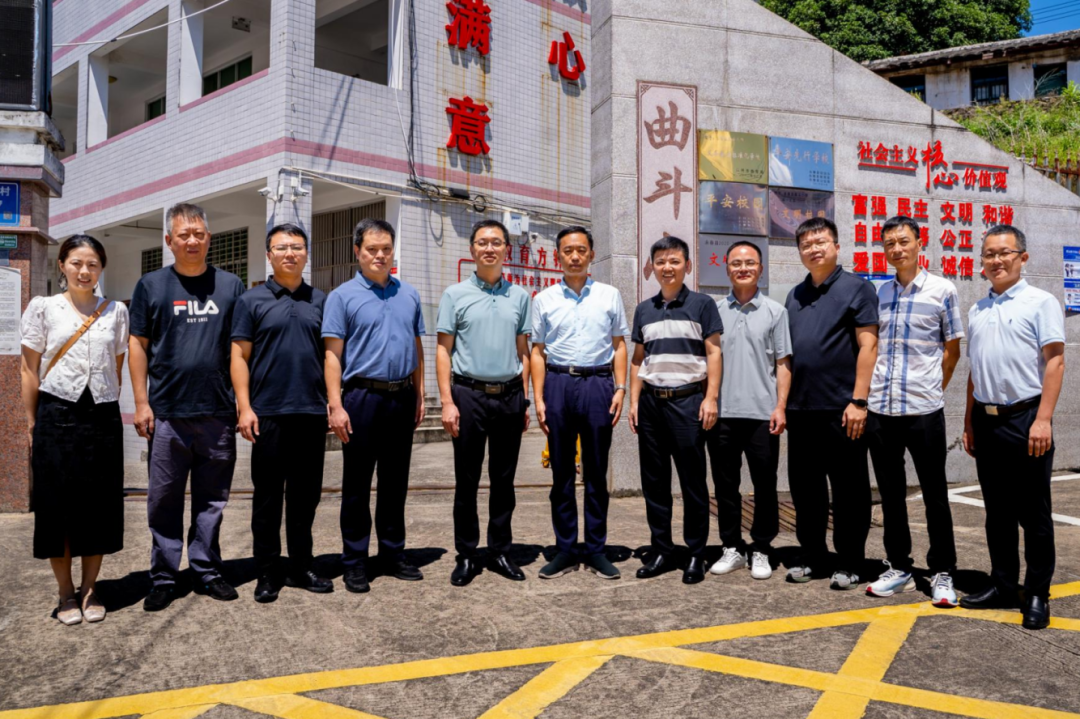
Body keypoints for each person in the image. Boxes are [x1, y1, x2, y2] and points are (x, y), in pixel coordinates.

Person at [130, 202, 246, 611]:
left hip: (217, 412)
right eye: (184, 234)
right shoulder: (151, 286)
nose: (192, 240)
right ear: (169, 240)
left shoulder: (231, 286)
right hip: (167, 414)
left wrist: (243, 404)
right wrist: (141, 402)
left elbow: (239, 350)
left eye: (199, 233)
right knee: (163, 499)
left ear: (209, 238)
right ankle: (164, 577)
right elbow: (138, 344)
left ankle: (207, 571)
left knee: (212, 500)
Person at [960, 225, 1066, 631]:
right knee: (998, 513)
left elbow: (1055, 361)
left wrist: (1043, 419)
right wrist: (969, 420)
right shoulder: (978, 309)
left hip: (1026, 419)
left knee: (1034, 514)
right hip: (986, 422)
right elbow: (975, 371)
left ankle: (1037, 593)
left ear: (1023, 257)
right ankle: (1003, 585)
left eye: (1004, 252)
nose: (996, 260)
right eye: (989, 254)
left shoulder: (1041, 302)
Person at [20, 235, 128, 625]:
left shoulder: (115, 311)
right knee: (56, 506)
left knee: (98, 505)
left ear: (101, 268)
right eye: (77, 263)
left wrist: (104, 399)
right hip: (56, 414)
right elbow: (29, 368)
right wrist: (32, 421)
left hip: (102, 416)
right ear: (62, 265)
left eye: (93, 264)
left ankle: (90, 588)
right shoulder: (44, 307)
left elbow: (116, 366)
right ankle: (65, 592)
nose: (85, 271)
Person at [324, 218, 426, 594]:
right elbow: (332, 356)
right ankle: (354, 561)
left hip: (401, 397)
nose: (380, 255)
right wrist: (336, 405)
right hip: (361, 398)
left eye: (386, 249)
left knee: (395, 482)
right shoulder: (342, 296)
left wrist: (419, 393)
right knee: (357, 484)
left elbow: (417, 347)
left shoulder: (409, 294)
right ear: (357, 251)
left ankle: (392, 554)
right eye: (372, 249)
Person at [231, 223, 332, 603]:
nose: (290, 253)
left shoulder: (321, 301)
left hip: (310, 412)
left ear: (306, 253)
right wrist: (244, 407)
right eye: (282, 247)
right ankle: (268, 571)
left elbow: (331, 356)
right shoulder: (251, 301)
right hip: (268, 414)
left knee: (305, 498)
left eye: (297, 247)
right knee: (268, 499)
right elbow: (239, 356)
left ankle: (302, 565)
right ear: (269, 254)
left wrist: (333, 401)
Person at [864, 216, 962, 607]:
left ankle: (943, 571)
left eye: (903, 241)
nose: (896, 249)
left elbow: (952, 351)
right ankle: (899, 567)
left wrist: (933, 388)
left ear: (919, 243)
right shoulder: (879, 293)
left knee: (935, 494)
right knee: (890, 494)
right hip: (881, 409)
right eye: (889, 243)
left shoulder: (943, 290)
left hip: (923, 410)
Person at [530, 226, 630, 580]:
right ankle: (566, 549)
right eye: (568, 250)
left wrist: (620, 388)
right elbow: (538, 351)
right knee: (561, 474)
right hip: (558, 383)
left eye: (581, 250)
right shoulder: (543, 299)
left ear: (591, 255)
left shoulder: (609, 295)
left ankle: (596, 550)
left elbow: (619, 344)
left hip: (598, 384)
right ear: (558, 255)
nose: (574, 256)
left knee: (596, 473)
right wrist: (538, 397)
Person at [784, 217, 878, 590]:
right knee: (806, 490)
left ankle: (851, 561)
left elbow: (868, 345)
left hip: (843, 410)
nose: (813, 249)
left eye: (820, 242)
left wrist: (859, 400)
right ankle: (813, 557)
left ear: (836, 246)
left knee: (849, 490)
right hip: (801, 410)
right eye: (806, 244)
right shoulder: (795, 295)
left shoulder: (858, 288)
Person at [437, 219, 531, 587]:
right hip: (468, 395)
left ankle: (500, 551)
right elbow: (443, 351)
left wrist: (525, 399)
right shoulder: (455, 295)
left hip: (509, 396)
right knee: (467, 479)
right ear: (472, 249)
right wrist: (447, 401)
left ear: (507, 249)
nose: (489, 248)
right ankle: (466, 554)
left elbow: (524, 351)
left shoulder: (520, 296)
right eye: (482, 242)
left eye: (496, 242)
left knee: (504, 480)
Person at [629, 236, 723, 585]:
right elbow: (638, 359)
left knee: (692, 482)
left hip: (688, 402)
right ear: (652, 266)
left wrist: (710, 398)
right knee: (654, 482)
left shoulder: (702, 304)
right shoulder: (644, 309)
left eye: (674, 261)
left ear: (687, 265)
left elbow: (714, 353)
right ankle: (662, 550)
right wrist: (634, 401)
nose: (667, 267)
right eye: (660, 262)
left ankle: (696, 552)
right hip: (651, 403)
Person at [706, 241, 790, 581]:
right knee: (725, 485)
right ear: (726, 268)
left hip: (762, 415)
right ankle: (732, 546)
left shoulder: (776, 312)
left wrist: (780, 406)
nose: (743, 268)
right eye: (736, 263)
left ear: (760, 268)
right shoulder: (713, 311)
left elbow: (783, 363)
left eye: (750, 263)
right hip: (722, 414)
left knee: (765, 485)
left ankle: (762, 548)